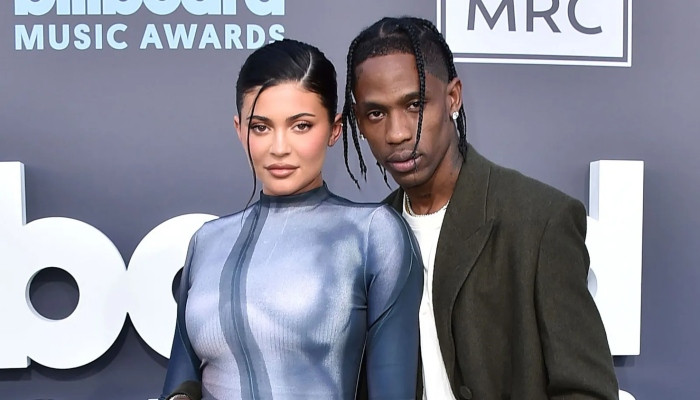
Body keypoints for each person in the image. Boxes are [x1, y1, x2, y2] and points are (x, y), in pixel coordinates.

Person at [342, 17, 619, 400]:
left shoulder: (540, 222)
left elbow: (588, 391)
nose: (397, 133)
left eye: (415, 104)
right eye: (376, 114)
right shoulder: (368, 242)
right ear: (358, 121)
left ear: (453, 97)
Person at [159, 38, 423, 400]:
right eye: (261, 127)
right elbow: (180, 383)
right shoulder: (206, 242)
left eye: (301, 126)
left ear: (334, 129)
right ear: (239, 129)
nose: (279, 148)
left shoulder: (372, 234)